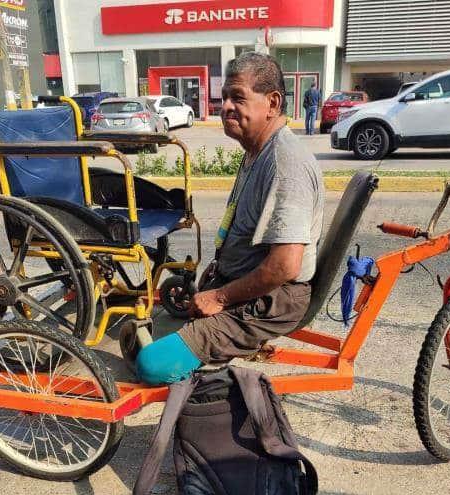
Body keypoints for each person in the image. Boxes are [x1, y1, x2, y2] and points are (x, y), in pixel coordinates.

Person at [134, 51, 325, 385]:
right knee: (158, 321)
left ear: (272, 102)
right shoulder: (256, 150)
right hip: (249, 283)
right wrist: (218, 274)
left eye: (239, 98)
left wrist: (219, 296)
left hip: (275, 298)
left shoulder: (285, 164)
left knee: (151, 363)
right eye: (224, 98)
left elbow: (284, 267)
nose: (225, 107)